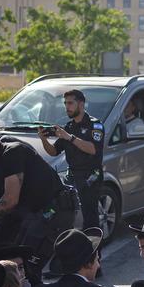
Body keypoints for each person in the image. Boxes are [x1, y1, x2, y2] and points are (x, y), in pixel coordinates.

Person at [0, 123, 76, 285]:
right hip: (31, 212)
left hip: (53, 211)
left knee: (27, 268)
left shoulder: (13, 152)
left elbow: (9, 200)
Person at [39, 89, 105, 230]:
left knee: (90, 217)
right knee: (57, 206)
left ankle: (94, 250)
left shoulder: (95, 125)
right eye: (65, 103)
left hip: (90, 176)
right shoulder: (68, 127)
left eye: (70, 103)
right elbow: (54, 151)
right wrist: (43, 140)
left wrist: (69, 137)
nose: (66, 107)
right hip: (72, 174)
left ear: (81, 104)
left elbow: (93, 149)